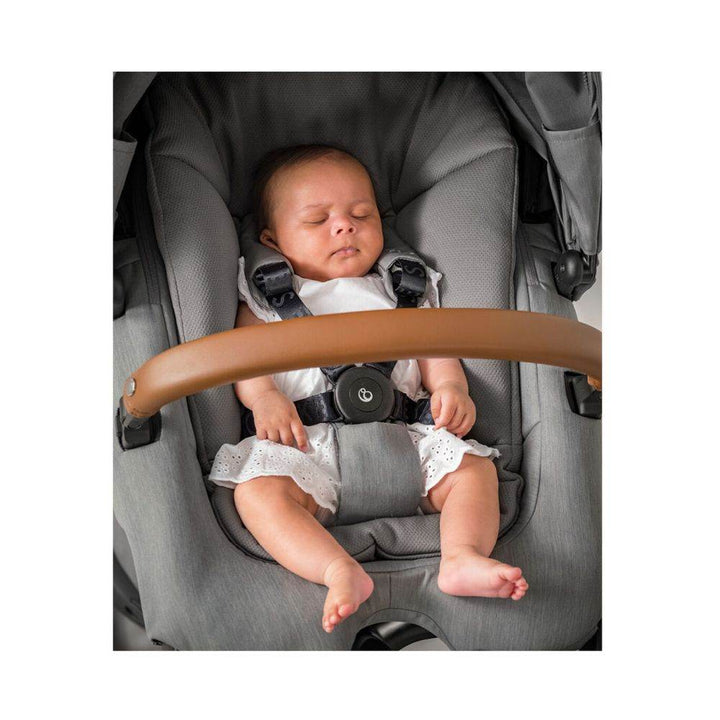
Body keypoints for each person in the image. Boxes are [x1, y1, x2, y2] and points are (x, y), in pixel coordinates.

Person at [209, 145, 528, 634]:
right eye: (318, 220)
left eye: (362, 214)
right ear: (272, 240)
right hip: (304, 446)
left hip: (408, 441)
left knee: (473, 471)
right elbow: (246, 359)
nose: (344, 226)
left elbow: (436, 349)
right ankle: (336, 569)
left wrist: (450, 386)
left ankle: (461, 556)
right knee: (258, 491)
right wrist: (264, 399)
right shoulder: (264, 300)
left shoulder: (402, 290)